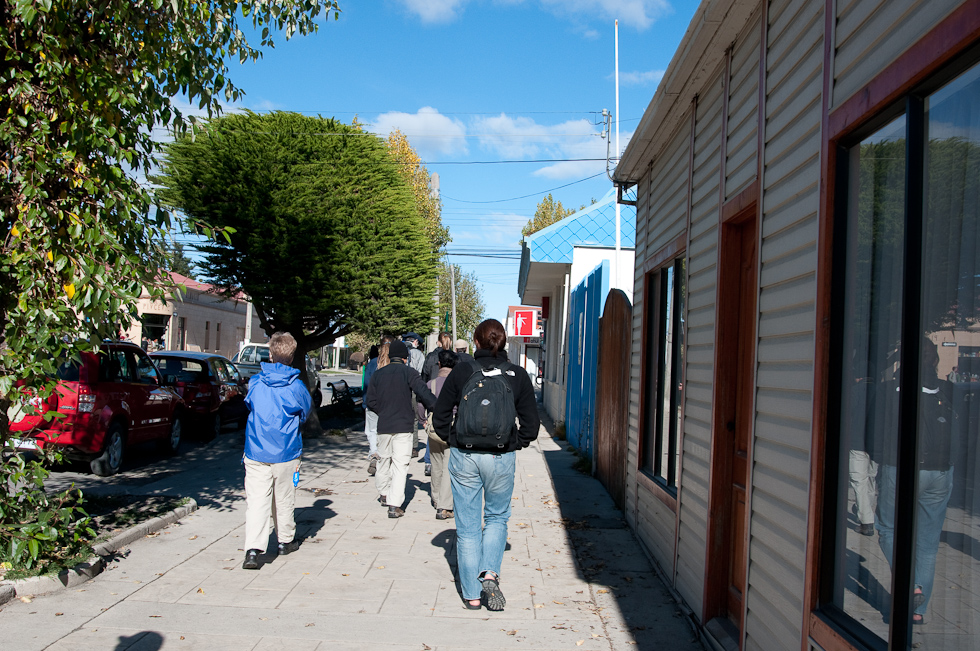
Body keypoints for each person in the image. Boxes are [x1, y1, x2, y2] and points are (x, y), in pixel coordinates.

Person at [432, 318, 539, 611]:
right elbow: (531, 427)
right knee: (496, 518)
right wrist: (513, 443)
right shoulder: (517, 375)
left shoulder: (462, 370)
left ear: (476, 342)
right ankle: (489, 573)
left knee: (467, 530)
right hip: (500, 456)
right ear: (503, 343)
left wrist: (452, 438)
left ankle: (471, 595)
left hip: (464, 455)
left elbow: (440, 415)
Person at [872, 338, 955, 625]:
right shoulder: (947, 389)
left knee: (887, 528)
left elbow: (875, 430)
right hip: (941, 471)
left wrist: (881, 457)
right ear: (934, 360)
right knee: (929, 544)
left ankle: (911, 586)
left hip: (901, 467)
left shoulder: (890, 390)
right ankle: (918, 611)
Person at [241, 331, 312, 570]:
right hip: (286, 450)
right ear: (292, 357)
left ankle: (253, 549)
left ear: (270, 354)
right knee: (283, 497)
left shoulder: (256, 382)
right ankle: (285, 540)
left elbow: (249, 404)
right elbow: (305, 413)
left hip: (256, 449)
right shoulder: (297, 386)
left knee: (257, 500)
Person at [365, 340, 437, 518]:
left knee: (383, 459)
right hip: (404, 425)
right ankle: (394, 504)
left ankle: (383, 492)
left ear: (390, 356)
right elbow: (423, 392)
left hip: (384, 424)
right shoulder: (409, 373)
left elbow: (370, 401)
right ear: (406, 358)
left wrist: (382, 410)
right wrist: (436, 406)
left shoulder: (379, 374)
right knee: (400, 464)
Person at [417, 348, 458, 519]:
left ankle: (435, 498)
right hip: (452, 425)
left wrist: (423, 420)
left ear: (439, 364)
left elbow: (420, 403)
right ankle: (444, 505)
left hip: (433, 427)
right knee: (450, 466)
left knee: (436, 464)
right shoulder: (457, 384)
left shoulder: (431, 384)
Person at [362, 344, 381, 475]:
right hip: (386, 405)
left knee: (372, 431)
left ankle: (374, 453)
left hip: (372, 402)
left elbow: (366, 384)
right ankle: (381, 455)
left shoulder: (372, 364)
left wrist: (365, 402)